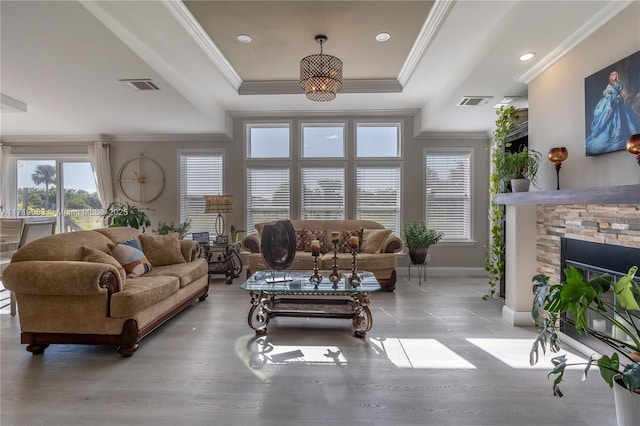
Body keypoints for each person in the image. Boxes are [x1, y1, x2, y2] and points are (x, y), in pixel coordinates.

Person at [586, 71, 640, 155]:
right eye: (612, 75)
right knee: (608, 117)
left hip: (618, 103)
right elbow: (606, 94)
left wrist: (619, 97)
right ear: (610, 77)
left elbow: (621, 93)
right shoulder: (609, 86)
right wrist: (613, 97)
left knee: (623, 117)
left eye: (615, 75)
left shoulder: (619, 85)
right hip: (610, 103)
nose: (614, 76)